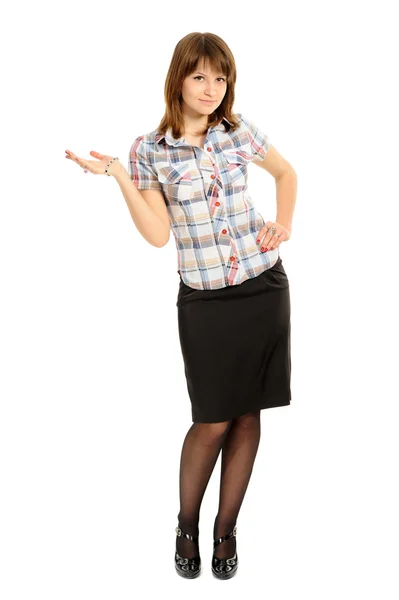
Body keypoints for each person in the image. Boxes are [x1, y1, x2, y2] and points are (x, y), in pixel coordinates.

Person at [65, 31, 297, 580]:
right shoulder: (150, 149)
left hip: (263, 286)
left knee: (248, 414)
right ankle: (187, 523)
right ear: (179, 79)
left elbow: (287, 173)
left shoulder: (237, 131)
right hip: (206, 301)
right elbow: (156, 234)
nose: (211, 88)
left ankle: (226, 529)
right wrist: (119, 177)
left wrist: (284, 222)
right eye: (200, 76)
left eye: (221, 78)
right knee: (212, 419)